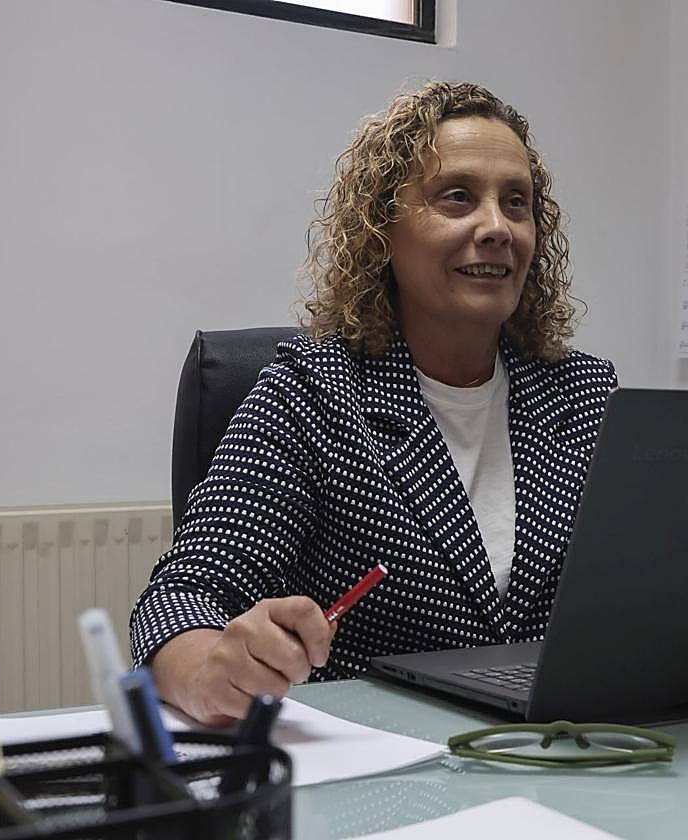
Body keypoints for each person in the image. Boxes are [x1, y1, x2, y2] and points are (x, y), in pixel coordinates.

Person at [130, 81, 618, 725]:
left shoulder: (585, 394)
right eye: (457, 198)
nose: (497, 227)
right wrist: (209, 670)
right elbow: (181, 596)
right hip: (377, 781)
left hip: (563, 757)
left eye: (517, 203)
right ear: (382, 227)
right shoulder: (315, 390)